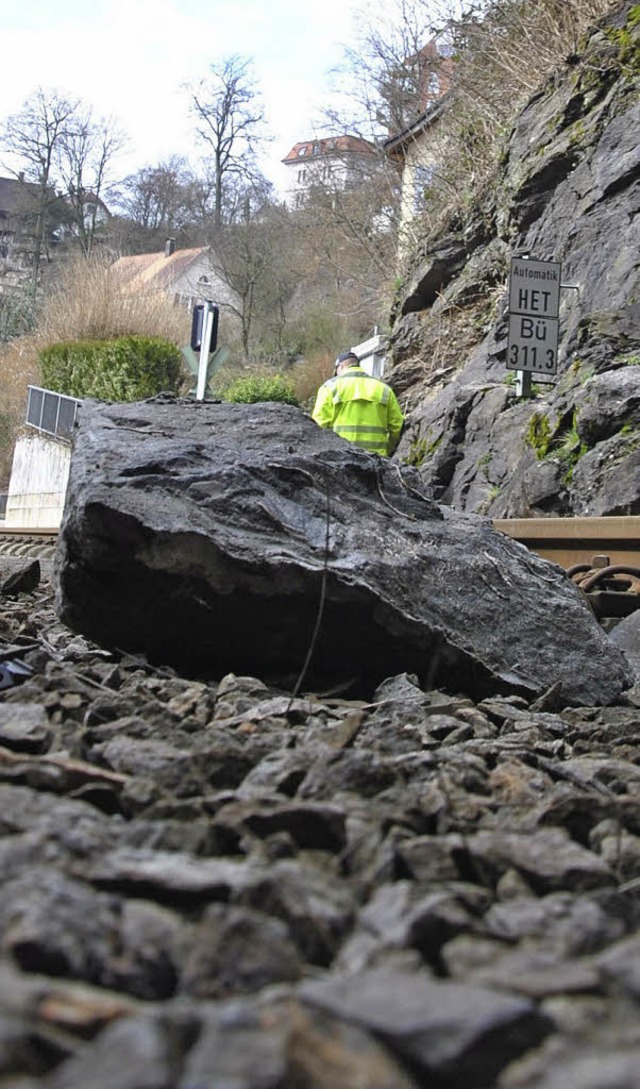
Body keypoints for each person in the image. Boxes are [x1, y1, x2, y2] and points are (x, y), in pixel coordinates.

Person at [311, 351, 404, 456]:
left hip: (341, 457)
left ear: (340, 367)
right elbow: (397, 426)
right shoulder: (384, 389)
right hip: (377, 459)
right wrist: (388, 448)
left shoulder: (329, 387)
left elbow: (318, 425)